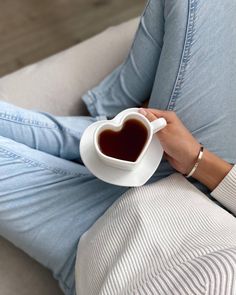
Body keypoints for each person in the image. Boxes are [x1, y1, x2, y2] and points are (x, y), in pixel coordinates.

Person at [0, 0, 236, 294]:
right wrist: (197, 161)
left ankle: (103, 123)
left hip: (84, 241)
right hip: (192, 185)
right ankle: (110, 113)